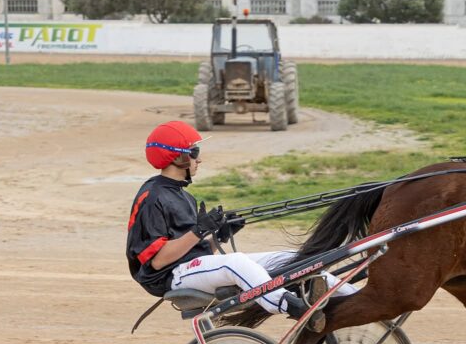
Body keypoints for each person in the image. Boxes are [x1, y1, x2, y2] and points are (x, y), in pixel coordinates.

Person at [126, 120, 356, 324]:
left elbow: (196, 252)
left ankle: (354, 298)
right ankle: (292, 306)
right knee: (233, 263)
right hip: (171, 277)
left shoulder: (185, 196)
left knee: (290, 258)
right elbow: (159, 261)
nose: (200, 158)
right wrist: (198, 231)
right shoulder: (152, 196)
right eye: (194, 151)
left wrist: (220, 235)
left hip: (191, 268)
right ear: (178, 156)